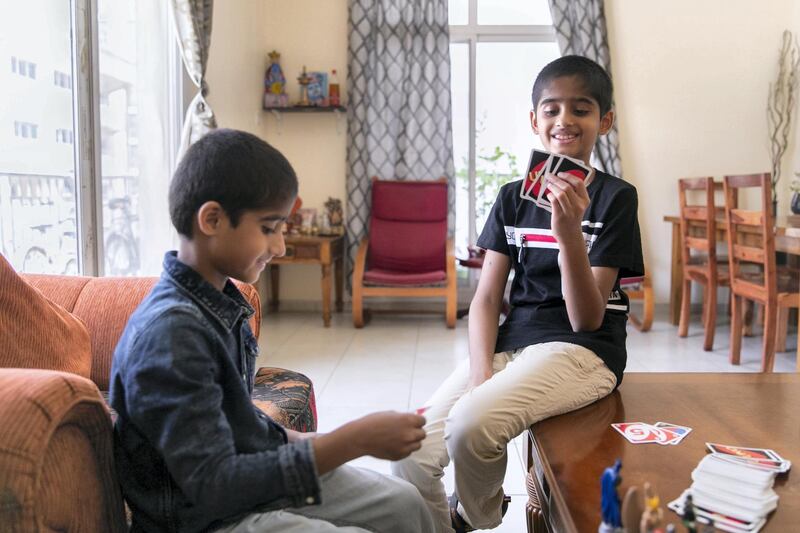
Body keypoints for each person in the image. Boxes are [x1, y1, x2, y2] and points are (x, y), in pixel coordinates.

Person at [110, 129, 435, 533]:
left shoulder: (221, 304)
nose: (280, 247)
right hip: (203, 520)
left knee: (404, 505)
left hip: (247, 487)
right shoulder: (172, 336)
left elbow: (245, 429)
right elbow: (215, 485)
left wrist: (338, 440)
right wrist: (353, 441)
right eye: (269, 228)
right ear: (212, 219)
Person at [392, 55, 644, 532]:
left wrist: (569, 232)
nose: (564, 120)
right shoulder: (512, 196)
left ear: (604, 121)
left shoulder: (616, 198)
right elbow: (486, 299)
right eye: (551, 109)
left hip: (584, 350)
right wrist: (482, 370)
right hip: (515, 341)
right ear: (535, 121)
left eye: (581, 109)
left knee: (471, 425)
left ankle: (473, 515)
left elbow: (587, 319)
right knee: (410, 455)